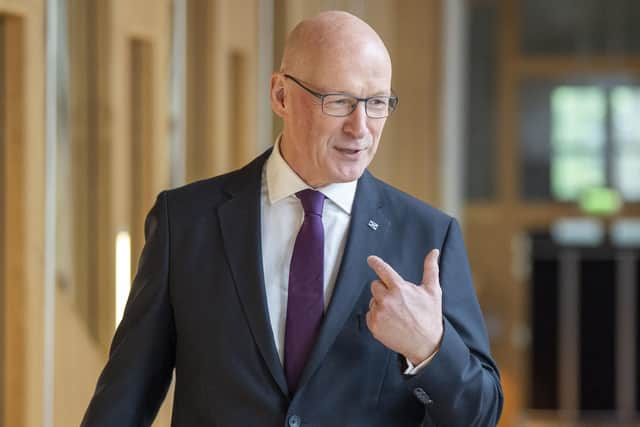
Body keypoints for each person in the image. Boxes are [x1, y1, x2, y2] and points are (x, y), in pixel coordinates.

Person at [82, 10, 503, 427]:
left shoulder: (429, 236)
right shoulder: (186, 223)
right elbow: (124, 399)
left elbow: (480, 415)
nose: (361, 128)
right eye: (339, 101)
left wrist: (429, 350)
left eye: (377, 103)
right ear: (281, 95)